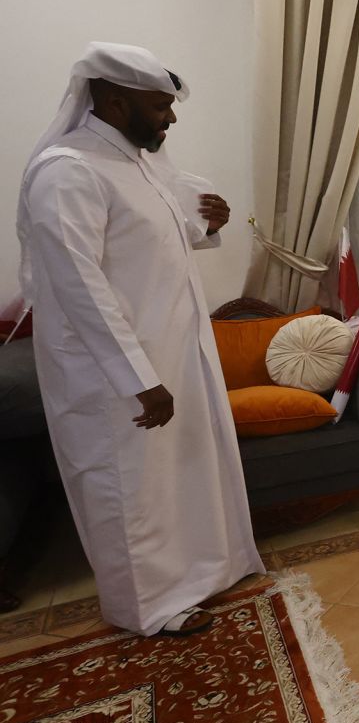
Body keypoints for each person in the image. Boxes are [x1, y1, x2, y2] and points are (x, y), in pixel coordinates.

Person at [15, 42, 263, 637]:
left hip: (172, 351)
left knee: (176, 476)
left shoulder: (138, 162)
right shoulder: (67, 170)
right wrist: (137, 377)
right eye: (159, 106)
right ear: (114, 99)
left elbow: (152, 241)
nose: (170, 119)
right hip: (112, 372)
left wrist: (209, 225)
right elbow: (77, 282)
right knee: (128, 489)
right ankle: (146, 608)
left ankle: (201, 576)